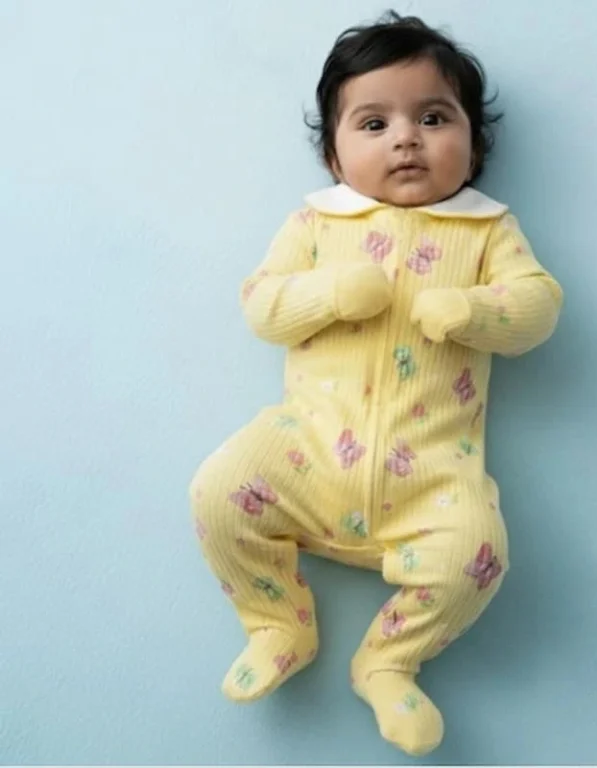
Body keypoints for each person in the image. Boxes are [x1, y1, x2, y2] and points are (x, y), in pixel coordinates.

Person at [190, 10, 563, 756]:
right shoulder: (316, 224)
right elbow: (262, 304)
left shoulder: (487, 230)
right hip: (309, 450)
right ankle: (279, 623)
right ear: (334, 153)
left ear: (474, 144)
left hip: (432, 474)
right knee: (218, 491)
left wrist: (472, 310)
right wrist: (329, 294)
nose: (406, 139)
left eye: (433, 118)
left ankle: (389, 661)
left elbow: (538, 307)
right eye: (374, 123)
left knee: (477, 554)